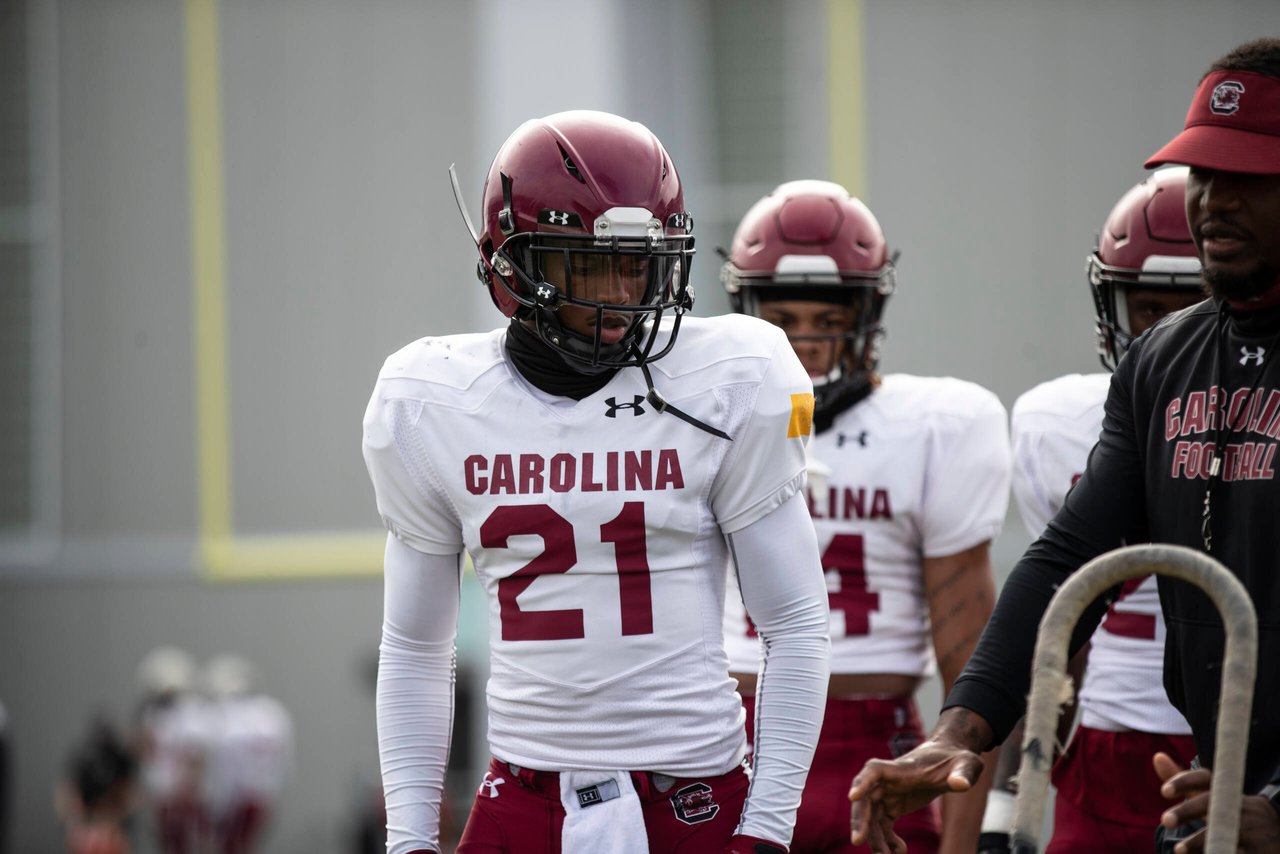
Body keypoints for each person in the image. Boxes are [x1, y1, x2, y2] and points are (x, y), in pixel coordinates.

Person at [849, 38, 1280, 854]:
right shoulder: (1166, 358)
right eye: (1204, 173)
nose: (1214, 201)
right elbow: (1069, 562)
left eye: (1250, 176)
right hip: (1216, 781)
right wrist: (957, 732)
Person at [362, 110, 832, 854]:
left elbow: (796, 624)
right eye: (588, 266)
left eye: (637, 264)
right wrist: (410, 839)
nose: (620, 297)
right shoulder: (432, 399)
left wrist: (769, 830)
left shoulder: (729, 378)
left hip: (690, 797)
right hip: (525, 798)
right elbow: (417, 647)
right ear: (511, 264)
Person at [720, 180, 1011, 854]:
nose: (806, 343)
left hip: (877, 746)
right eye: (783, 319)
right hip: (734, 734)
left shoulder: (934, 426)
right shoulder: (708, 420)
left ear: (867, 316)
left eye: (828, 320)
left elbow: (969, 656)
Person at [978, 168, 1205, 854]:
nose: (1170, 333)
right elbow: (1059, 630)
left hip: (1241, 744)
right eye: (1149, 308)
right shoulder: (1055, 422)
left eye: (1196, 305)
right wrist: (1004, 802)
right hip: (1104, 753)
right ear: (1112, 304)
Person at [201, 655, 293, 854]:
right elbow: (285, 762)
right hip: (263, 797)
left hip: (237, 800)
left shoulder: (228, 720)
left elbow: (226, 771)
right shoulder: (273, 713)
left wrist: (217, 809)